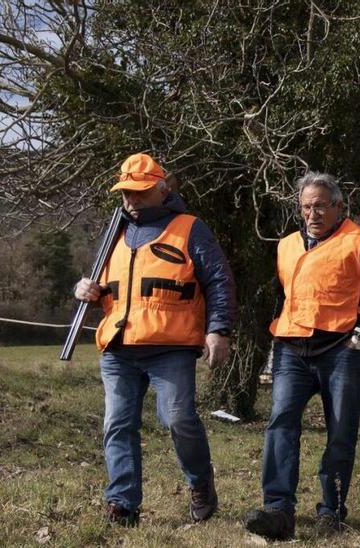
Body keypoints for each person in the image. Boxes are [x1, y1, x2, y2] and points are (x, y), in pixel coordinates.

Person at [73, 153, 237, 526]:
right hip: (118, 346)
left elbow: (219, 281)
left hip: (171, 346)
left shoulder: (191, 228)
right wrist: (85, 288)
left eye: (140, 192)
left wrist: (219, 330)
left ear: (163, 190)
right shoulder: (114, 230)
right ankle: (122, 503)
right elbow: (101, 283)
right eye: (125, 192)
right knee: (117, 424)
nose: (131, 200)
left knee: (178, 418)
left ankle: (200, 483)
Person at [245, 171, 360, 540]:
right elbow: (285, 297)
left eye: (321, 206)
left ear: (339, 207)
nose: (313, 213)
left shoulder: (359, 241)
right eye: (307, 207)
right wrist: (272, 344)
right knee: (280, 423)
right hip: (291, 349)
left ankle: (332, 511)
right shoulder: (286, 245)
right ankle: (278, 510)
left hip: (341, 351)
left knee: (341, 432)